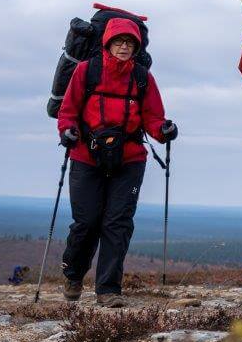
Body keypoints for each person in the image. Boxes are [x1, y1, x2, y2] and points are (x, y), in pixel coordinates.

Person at [56, 18, 176, 306]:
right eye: (119, 41)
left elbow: (153, 117)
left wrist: (163, 130)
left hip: (129, 158)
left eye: (130, 42)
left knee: (118, 223)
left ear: (136, 47)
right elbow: (68, 110)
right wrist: (67, 130)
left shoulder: (142, 77)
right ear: (107, 43)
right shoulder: (87, 70)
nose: (124, 46)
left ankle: (108, 290)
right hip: (86, 155)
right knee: (87, 221)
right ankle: (74, 275)